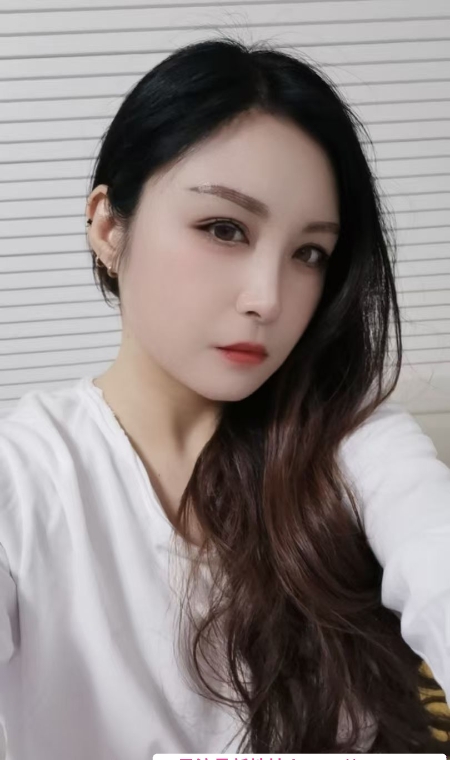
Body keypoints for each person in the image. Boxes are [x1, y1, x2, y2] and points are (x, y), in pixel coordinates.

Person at [0, 35, 449, 758]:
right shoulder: (25, 476)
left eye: (309, 253)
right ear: (109, 227)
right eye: (224, 228)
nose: (269, 299)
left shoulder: (353, 444)